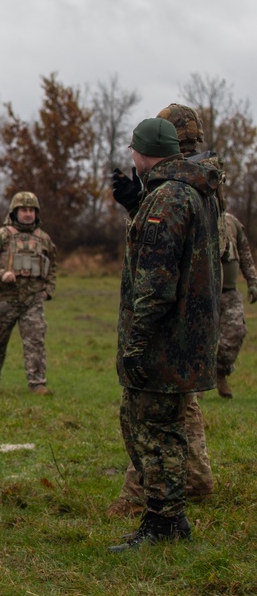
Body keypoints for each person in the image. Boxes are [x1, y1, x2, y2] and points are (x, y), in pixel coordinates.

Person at [108, 117, 220, 552]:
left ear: (140, 152)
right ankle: (164, 520)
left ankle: (165, 524)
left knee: (156, 432)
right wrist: (137, 205)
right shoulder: (191, 191)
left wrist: (136, 343)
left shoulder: (169, 197)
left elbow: (156, 281)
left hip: (163, 341)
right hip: (184, 337)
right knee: (154, 427)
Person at [0, 191, 57, 395]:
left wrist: (48, 290)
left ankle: (38, 384)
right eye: (24, 210)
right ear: (14, 212)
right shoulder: (1, 236)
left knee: (35, 342)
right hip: (5, 300)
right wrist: (1, 274)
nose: (28, 214)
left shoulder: (44, 239)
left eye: (31, 210)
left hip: (33, 301)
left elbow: (52, 266)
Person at [215, 211, 257, 398]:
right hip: (204, 293)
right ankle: (197, 384)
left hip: (230, 293)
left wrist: (253, 282)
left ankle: (219, 373)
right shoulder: (198, 216)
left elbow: (245, 253)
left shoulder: (232, 222)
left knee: (236, 331)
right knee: (200, 338)